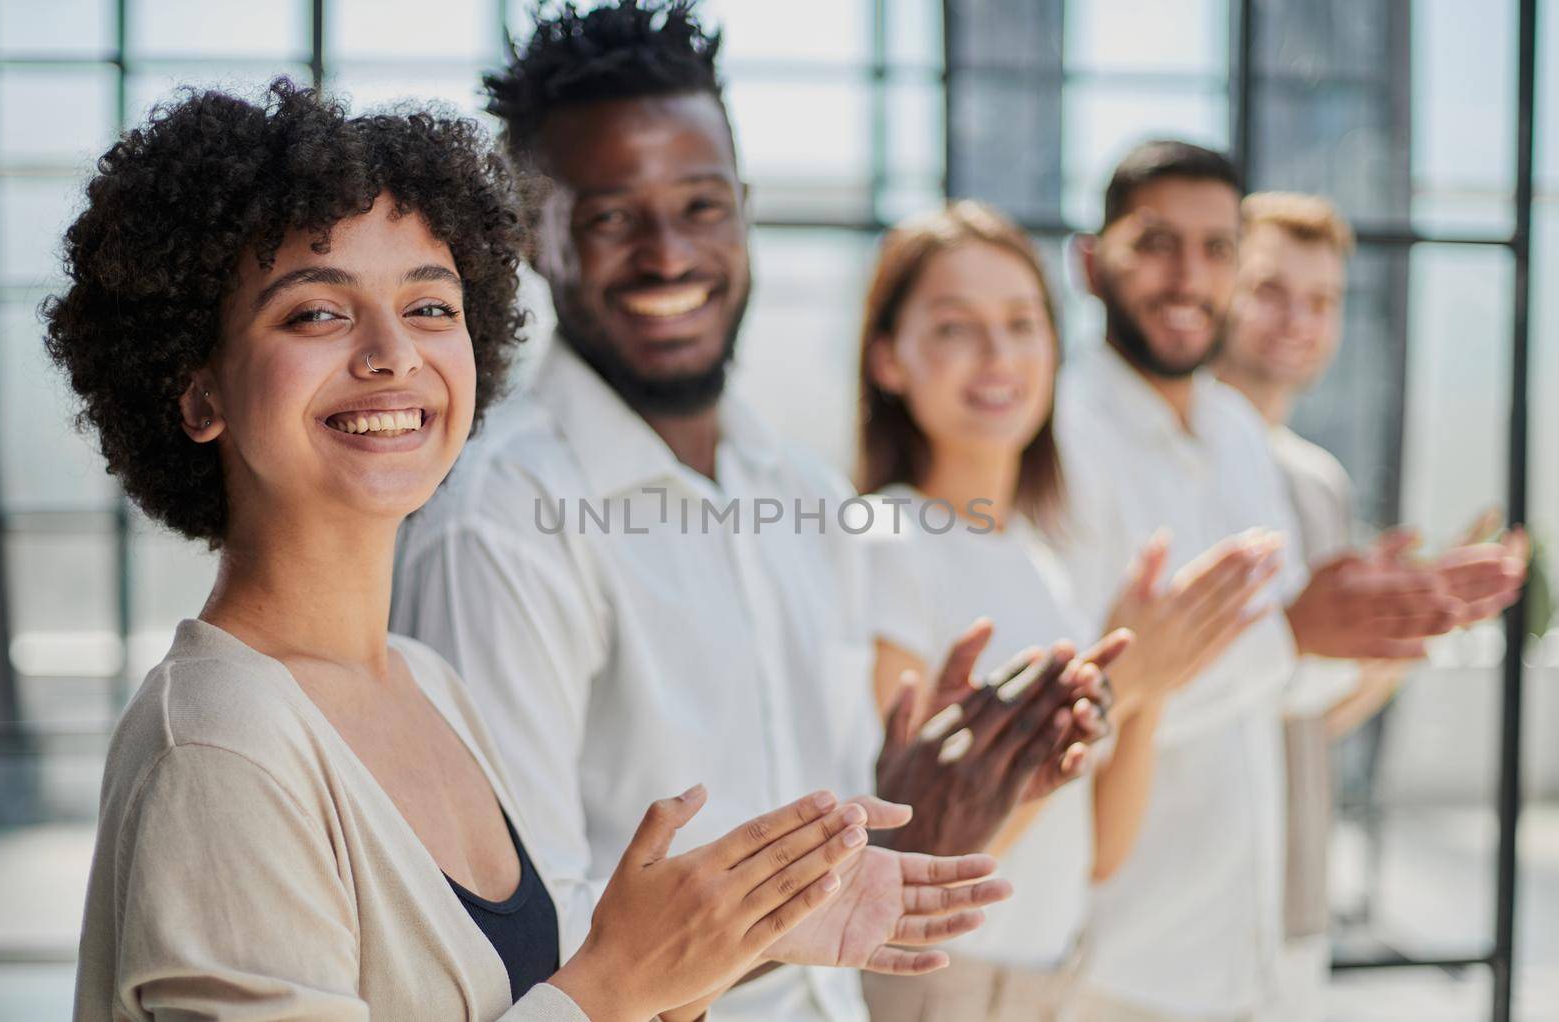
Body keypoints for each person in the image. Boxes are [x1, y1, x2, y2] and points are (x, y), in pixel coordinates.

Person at [51, 80, 1008, 1022]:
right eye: (317, 312)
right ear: (198, 392)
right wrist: (616, 986)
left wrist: (719, 943)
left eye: (430, 307)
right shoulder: (219, 746)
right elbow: (580, 1000)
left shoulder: (426, 688)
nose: (393, 354)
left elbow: (536, 996)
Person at [392, 4, 1108, 1019]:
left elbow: (835, 859)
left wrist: (915, 805)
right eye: (610, 217)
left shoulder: (805, 496)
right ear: (535, 241)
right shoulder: (497, 522)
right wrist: (785, 912)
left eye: (701, 205)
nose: (668, 255)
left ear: (744, 209)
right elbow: (513, 937)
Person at [1051, 139, 1485, 1022]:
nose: (1188, 277)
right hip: (1119, 965)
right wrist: (1296, 633)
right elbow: (1086, 709)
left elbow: (1282, 691)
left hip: (1245, 955)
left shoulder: (1235, 433)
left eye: (1216, 249)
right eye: (1157, 243)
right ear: (1092, 264)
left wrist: (1392, 622)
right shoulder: (1058, 443)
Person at [851, 201, 1286, 1021]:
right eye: (954, 327)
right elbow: (911, 854)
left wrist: (1148, 684)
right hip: (941, 985)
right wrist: (1120, 688)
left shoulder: (1045, 558)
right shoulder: (883, 541)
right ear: (887, 359)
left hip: (1049, 978)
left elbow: (1100, 856)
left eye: (1023, 323)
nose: (998, 355)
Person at [1214, 191, 1529, 1019]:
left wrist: (1420, 624)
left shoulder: (1318, 482)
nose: (1299, 321)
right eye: (1271, 291)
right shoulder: (1178, 463)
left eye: (1322, 301)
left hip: (1295, 896)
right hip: (1187, 900)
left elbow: (1313, 716)